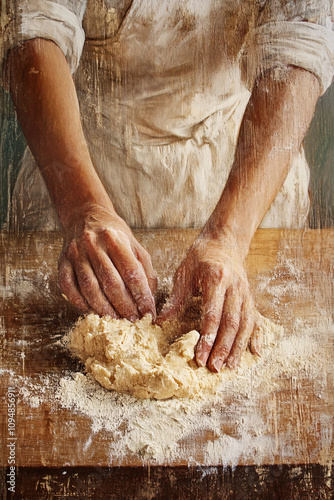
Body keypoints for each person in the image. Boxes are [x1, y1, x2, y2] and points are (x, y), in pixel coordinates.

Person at [1, 0, 333, 372]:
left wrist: (229, 238)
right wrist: (82, 206)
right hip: (80, 167)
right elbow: (33, 28)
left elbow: (298, 43)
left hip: (245, 178)